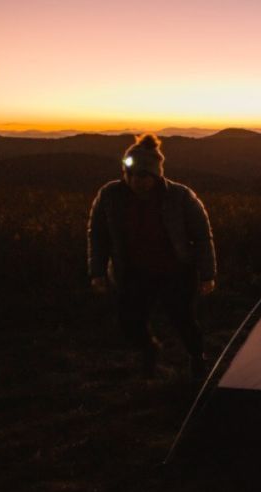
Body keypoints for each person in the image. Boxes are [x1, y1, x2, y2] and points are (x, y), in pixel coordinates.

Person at [88, 134, 217, 379]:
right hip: (134, 273)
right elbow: (98, 235)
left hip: (176, 271)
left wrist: (207, 274)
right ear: (125, 173)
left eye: (144, 175)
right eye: (132, 174)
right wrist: (97, 272)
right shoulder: (111, 196)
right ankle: (149, 351)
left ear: (157, 175)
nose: (137, 181)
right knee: (130, 322)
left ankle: (197, 359)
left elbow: (202, 236)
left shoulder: (180, 197)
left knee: (183, 320)